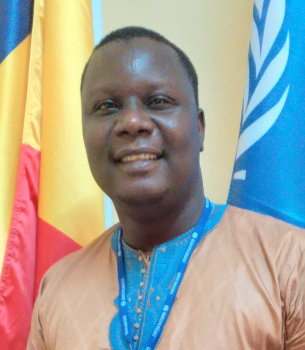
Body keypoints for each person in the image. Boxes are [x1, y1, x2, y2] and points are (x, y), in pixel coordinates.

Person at [26, 27, 305, 350]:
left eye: (158, 101)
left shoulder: (290, 263)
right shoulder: (57, 290)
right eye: (106, 107)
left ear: (199, 129)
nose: (131, 122)